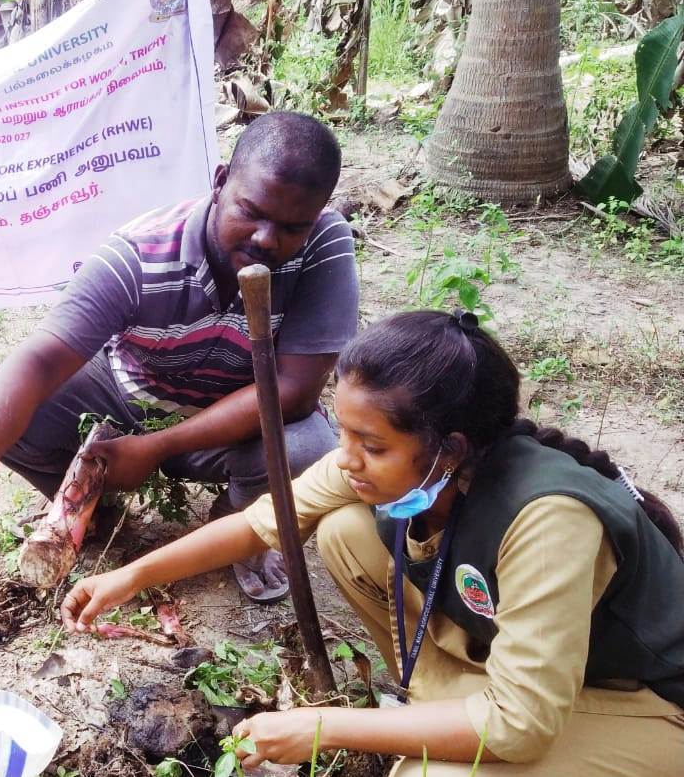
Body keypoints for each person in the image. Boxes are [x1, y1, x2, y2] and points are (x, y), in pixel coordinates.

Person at [61, 310, 684, 775]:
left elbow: (521, 727)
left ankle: (454, 721)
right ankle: (433, 700)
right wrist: (130, 578)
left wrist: (326, 727)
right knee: (346, 531)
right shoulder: (395, 466)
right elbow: (262, 522)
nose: (347, 460)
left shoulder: (549, 521)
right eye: (347, 433)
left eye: (374, 445)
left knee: (429, 773)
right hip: (542, 677)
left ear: (451, 447)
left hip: (646, 702)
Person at [0, 112, 359, 602]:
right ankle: (98, 513)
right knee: (10, 410)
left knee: (307, 451)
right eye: (251, 211)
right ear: (219, 182)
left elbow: (293, 392)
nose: (266, 239)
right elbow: (41, 359)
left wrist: (157, 447)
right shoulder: (139, 256)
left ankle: (238, 526)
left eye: (291, 226)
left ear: (317, 214)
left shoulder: (324, 243)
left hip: (238, 421)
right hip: (130, 393)